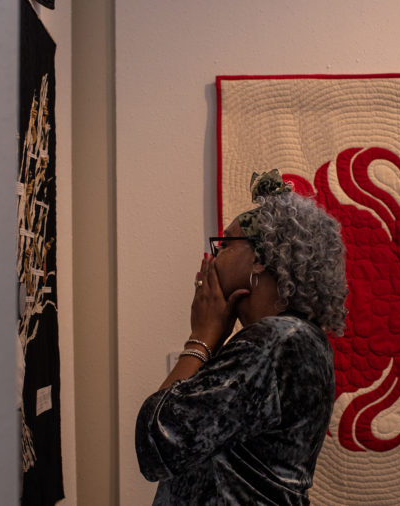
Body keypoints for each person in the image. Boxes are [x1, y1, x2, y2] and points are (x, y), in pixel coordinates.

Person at [135, 170, 348, 505]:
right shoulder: (297, 338)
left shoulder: (275, 342)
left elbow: (156, 442)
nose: (215, 259)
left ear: (261, 258)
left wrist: (201, 337)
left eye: (226, 244)